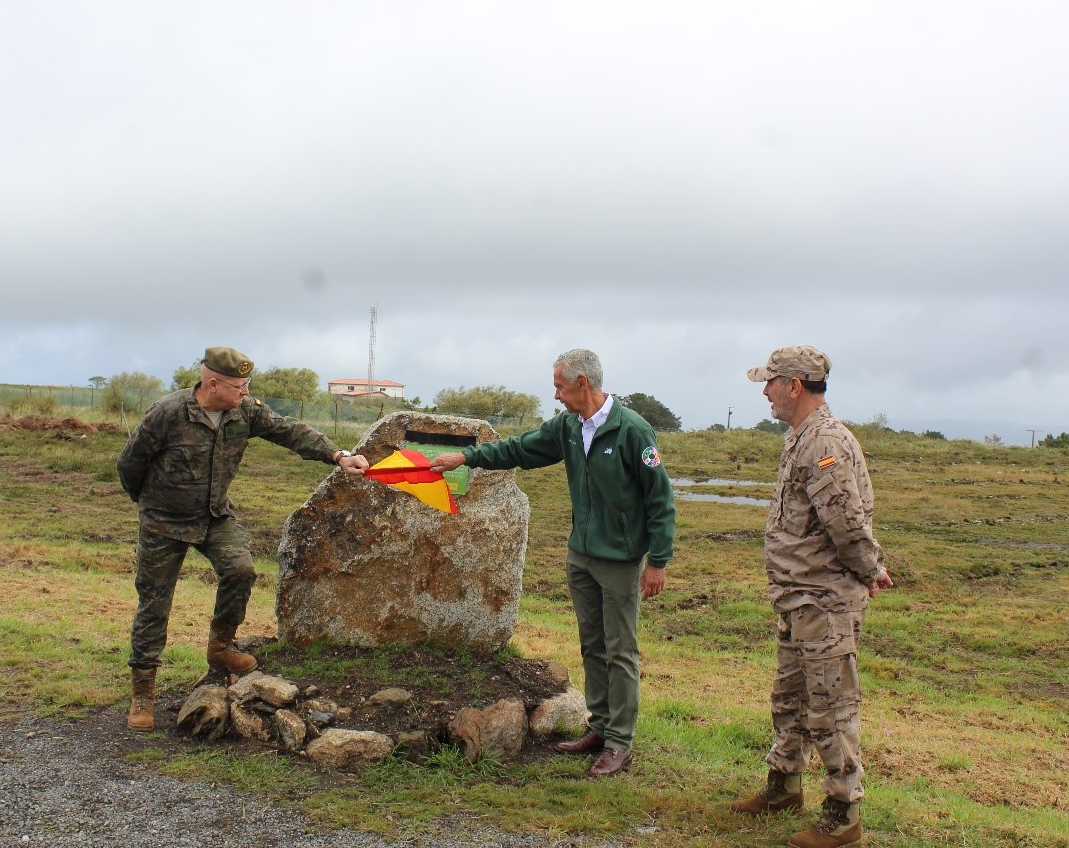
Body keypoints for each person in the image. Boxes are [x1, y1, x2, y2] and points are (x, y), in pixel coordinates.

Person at [428, 348, 675, 777]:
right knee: (592, 645)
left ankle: (619, 743)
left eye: (560, 385)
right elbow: (520, 449)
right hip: (581, 555)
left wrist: (659, 561)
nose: (556, 394)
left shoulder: (633, 431)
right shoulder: (568, 427)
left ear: (583, 383)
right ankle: (598, 727)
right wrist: (467, 457)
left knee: (621, 651)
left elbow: (660, 499)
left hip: (620, 561)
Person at [116, 346, 369, 732]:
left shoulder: (245, 410)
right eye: (238, 385)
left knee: (241, 570)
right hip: (163, 522)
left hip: (214, 515)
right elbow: (130, 462)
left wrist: (337, 455)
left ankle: (220, 648)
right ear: (212, 383)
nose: (245, 391)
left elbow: (288, 430)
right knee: (154, 602)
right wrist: (149, 504)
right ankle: (143, 692)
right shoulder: (168, 413)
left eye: (247, 384)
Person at [732, 345, 893, 848]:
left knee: (832, 706)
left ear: (795, 385)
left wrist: (870, 569)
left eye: (771, 383)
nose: (765, 392)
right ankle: (783, 787)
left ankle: (844, 815)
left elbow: (845, 520)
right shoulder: (800, 437)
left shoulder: (824, 442)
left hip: (824, 601)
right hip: (797, 598)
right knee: (792, 699)